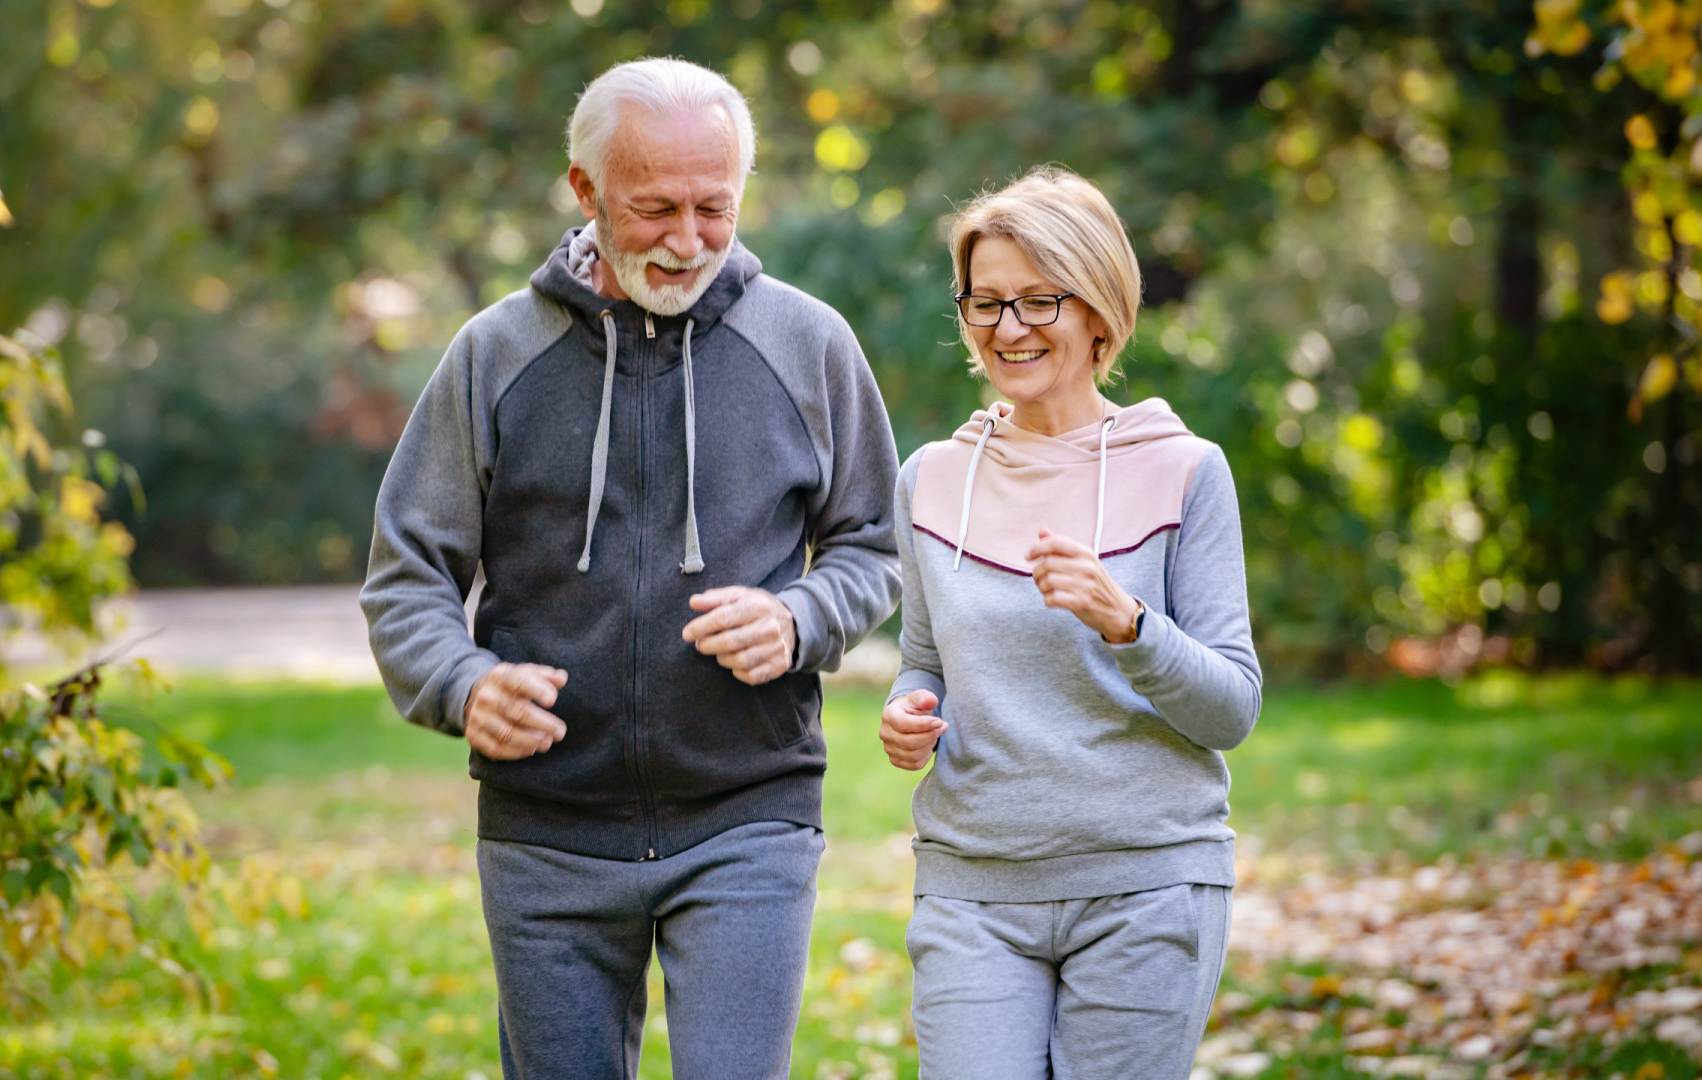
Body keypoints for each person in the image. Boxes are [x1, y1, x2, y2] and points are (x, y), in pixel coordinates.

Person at [361, 57, 901, 1080]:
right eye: (654, 209)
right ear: (584, 191)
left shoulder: (809, 343)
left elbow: (877, 544)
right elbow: (407, 573)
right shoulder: (494, 354)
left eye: (715, 207)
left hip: (749, 813)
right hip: (547, 831)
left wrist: (800, 619)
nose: (689, 240)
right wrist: (461, 683)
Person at [878, 166, 1262, 1079]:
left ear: (1099, 310)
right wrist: (910, 710)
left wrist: (1128, 623)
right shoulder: (932, 477)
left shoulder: (1184, 471)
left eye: (1038, 300)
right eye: (986, 303)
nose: (1008, 329)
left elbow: (1232, 710)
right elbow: (923, 658)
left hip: (1148, 886)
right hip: (975, 886)